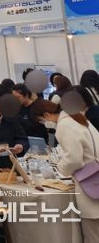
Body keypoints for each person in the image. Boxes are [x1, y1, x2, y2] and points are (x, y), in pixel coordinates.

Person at [30, 99, 99, 241]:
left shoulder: (64, 125)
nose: (44, 124)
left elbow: (74, 159)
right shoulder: (77, 117)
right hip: (94, 175)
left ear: (46, 114)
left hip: (88, 182)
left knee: (93, 235)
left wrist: (60, 167)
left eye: (42, 120)